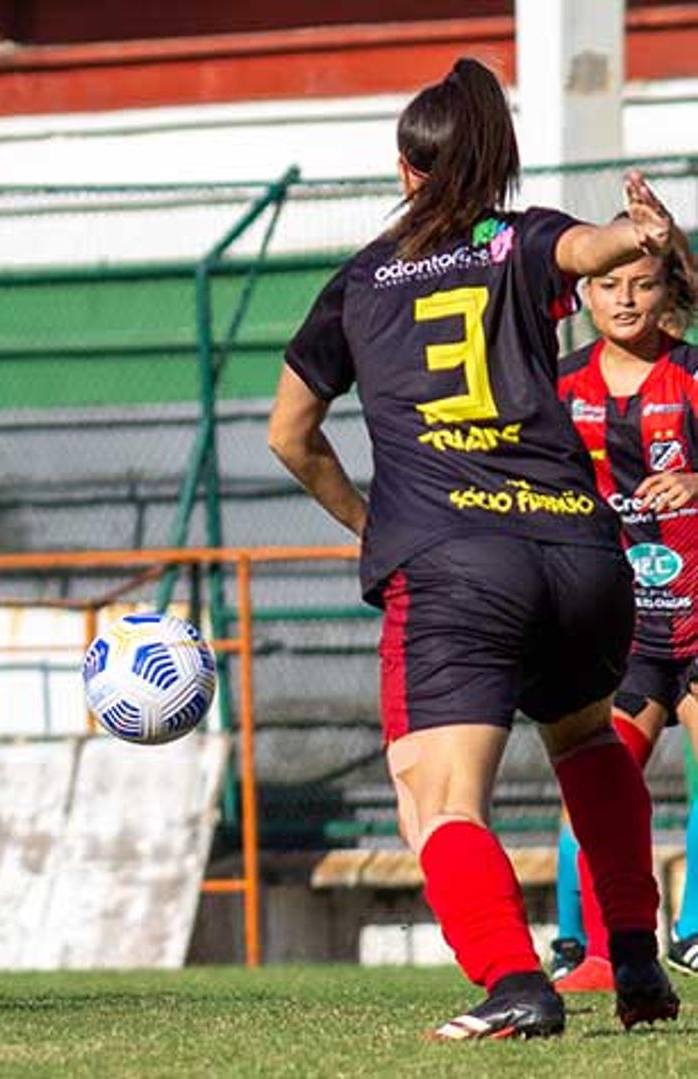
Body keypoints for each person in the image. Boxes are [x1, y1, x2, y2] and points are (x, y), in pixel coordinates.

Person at [266, 58, 682, 1038]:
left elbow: (291, 430)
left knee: (437, 796)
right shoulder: (521, 238)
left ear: (407, 172)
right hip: (580, 553)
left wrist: (370, 524)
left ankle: (515, 980)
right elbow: (593, 250)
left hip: (455, 563)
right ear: (494, 164)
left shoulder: (363, 278)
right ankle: (634, 957)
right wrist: (644, 234)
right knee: (584, 737)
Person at [550, 228, 698, 989]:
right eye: (609, 285)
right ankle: (587, 945)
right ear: (585, 293)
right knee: (602, 781)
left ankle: (696, 930)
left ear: (668, 288)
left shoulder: (693, 372)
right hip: (621, 625)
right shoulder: (562, 384)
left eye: (641, 283)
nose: (626, 298)